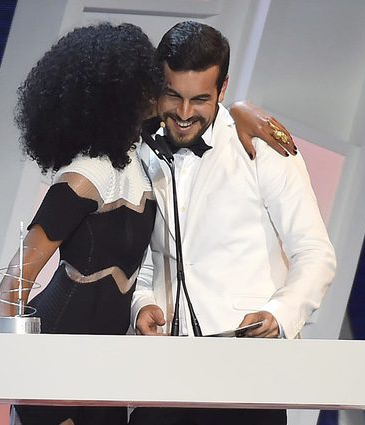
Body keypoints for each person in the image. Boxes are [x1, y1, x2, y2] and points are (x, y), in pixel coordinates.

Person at [0, 22, 296, 425]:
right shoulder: (85, 176)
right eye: (148, 87)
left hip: (111, 369)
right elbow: (15, 280)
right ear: (110, 95)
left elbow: (202, 112)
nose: (164, 98)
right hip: (57, 360)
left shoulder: (145, 160)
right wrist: (12, 371)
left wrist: (241, 110)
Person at [130, 21, 337, 425]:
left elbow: (314, 253)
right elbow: (150, 257)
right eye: (174, 96)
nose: (185, 114)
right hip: (162, 377)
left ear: (222, 90)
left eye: (200, 99)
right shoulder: (144, 150)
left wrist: (279, 314)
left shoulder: (263, 148)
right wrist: (143, 303)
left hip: (247, 377)